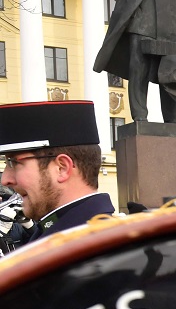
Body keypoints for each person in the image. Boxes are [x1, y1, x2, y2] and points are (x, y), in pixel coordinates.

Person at [0, 101, 112, 245]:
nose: (5, 180)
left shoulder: (92, 244)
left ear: (62, 168)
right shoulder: (62, 232)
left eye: (14, 163)